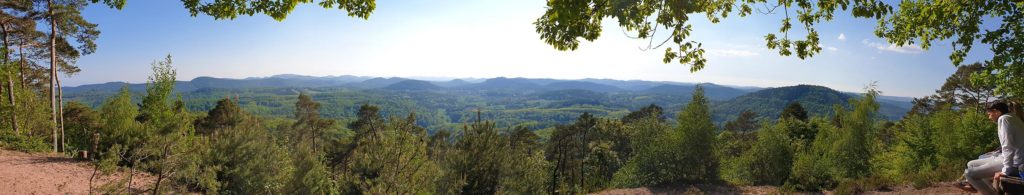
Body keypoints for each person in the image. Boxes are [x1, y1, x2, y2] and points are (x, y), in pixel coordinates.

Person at [958, 101, 1024, 194]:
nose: (989, 117)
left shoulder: (1003, 119)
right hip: (1013, 158)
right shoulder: (1012, 117)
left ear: (997, 112)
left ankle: (991, 193)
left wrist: (1006, 171)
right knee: (971, 164)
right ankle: (990, 190)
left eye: (990, 114)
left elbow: (1008, 147)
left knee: (969, 173)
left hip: (1015, 163)